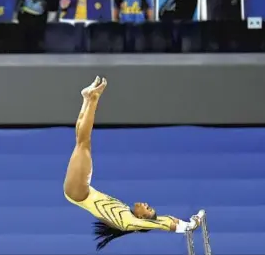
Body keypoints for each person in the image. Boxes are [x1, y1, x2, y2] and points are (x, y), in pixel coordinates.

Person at [64, 76, 205, 251]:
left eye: (147, 209)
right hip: (82, 192)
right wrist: (191, 221)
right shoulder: (128, 215)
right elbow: (165, 220)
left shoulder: (130, 223)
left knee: (83, 143)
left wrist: (187, 228)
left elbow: (161, 225)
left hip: (79, 193)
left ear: (142, 219)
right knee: (81, 142)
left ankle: (93, 98)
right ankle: (87, 98)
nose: (146, 204)